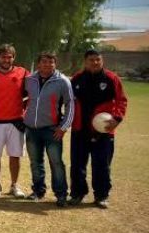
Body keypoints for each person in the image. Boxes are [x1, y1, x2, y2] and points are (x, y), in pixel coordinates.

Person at [69, 50, 128, 209]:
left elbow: (121, 100)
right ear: (85, 61)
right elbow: (68, 101)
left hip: (103, 130)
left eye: (97, 60)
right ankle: (77, 194)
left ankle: (101, 196)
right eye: (91, 60)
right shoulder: (77, 78)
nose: (95, 62)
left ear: (102, 61)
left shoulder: (111, 78)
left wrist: (117, 119)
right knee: (77, 164)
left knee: (101, 164)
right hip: (80, 129)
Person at [23, 52, 74, 207]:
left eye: (51, 62)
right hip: (32, 129)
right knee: (35, 162)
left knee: (56, 163)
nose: (48, 65)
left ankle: (61, 195)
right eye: (44, 62)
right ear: (38, 64)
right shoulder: (29, 80)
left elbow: (70, 104)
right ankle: (38, 191)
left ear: (55, 64)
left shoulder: (63, 81)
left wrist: (64, 127)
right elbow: (23, 99)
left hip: (52, 130)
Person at [0, 44, 29, 198]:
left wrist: (26, 109)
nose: (6, 59)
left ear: (13, 58)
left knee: (15, 156)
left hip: (16, 121)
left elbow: (33, 91)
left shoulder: (22, 72)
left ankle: (14, 185)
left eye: (9, 57)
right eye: (3, 56)